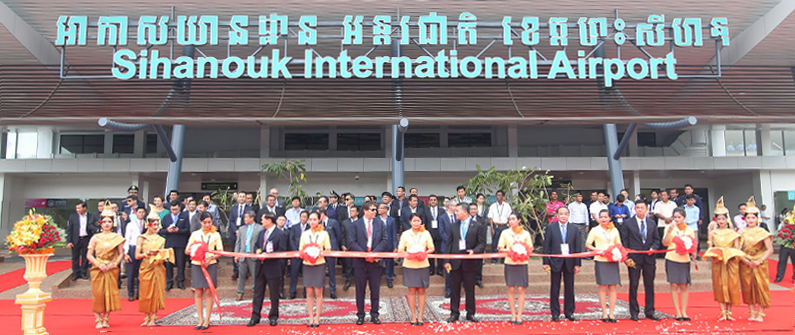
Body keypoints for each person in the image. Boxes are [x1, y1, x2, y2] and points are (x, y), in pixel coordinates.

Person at [444, 202, 487, 323]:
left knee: (469, 289)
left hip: (470, 263)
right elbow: (449, 245)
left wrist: (475, 251)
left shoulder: (478, 226)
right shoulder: (453, 226)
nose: (455, 213)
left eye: (457, 211)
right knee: (454, 289)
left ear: (465, 212)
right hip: (455, 263)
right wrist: (446, 261)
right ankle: (454, 313)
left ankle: (470, 313)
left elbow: (482, 244)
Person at [619, 200, 662, 321]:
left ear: (647, 209)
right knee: (633, 284)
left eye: (642, 208)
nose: (639, 210)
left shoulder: (652, 223)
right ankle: (634, 311)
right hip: (634, 258)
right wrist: (626, 257)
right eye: (637, 208)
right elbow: (624, 241)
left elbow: (657, 239)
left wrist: (653, 248)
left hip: (649, 258)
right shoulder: (628, 223)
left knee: (649, 284)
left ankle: (650, 311)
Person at [703, 197, 743, 322]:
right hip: (718, 262)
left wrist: (731, 256)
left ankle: (729, 311)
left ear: (727, 219)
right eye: (719, 219)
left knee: (731, 285)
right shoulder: (713, 233)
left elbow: (737, 249)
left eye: (723, 219)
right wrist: (714, 257)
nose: (721, 221)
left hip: (730, 262)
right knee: (719, 285)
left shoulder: (733, 233)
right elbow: (710, 248)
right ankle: (722, 311)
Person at [348, 202, 389, 325]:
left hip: (375, 261)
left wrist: (374, 254)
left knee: (375, 289)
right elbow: (352, 242)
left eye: (375, 209)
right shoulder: (355, 225)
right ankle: (360, 315)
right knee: (360, 290)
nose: (375, 211)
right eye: (372, 209)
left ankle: (374, 314)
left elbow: (384, 240)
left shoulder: (380, 223)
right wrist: (365, 254)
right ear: (365, 211)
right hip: (360, 262)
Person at [86, 204, 125, 329]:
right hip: (98, 268)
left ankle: (106, 318)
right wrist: (98, 264)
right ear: (100, 223)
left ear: (113, 223)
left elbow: (121, 254)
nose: (107, 224)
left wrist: (114, 264)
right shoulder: (95, 238)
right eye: (104, 222)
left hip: (111, 268)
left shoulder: (117, 238)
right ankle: (98, 318)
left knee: (110, 293)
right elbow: (89, 255)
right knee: (98, 294)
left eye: (109, 221)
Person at [136, 206, 174, 327]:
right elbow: (137, 255)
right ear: (148, 224)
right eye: (155, 224)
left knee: (156, 292)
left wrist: (164, 254)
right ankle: (146, 316)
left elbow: (163, 253)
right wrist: (147, 254)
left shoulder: (161, 239)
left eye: (158, 224)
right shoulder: (141, 238)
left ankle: (153, 317)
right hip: (146, 266)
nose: (157, 226)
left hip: (158, 267)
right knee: (146, 292)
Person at [543, 207, 582, 322]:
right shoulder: (551, 228)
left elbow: (577, 247)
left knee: (570, 287)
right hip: (555, 262)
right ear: (557, 215)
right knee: (555, 287)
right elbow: (546, 246)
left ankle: (569, 311)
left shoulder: (574, 229)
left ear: (569, 215)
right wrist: (545, 262)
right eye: (561, 214)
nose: (563, 216)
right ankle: (555, 312)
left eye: (565, 214)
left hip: (570, 262)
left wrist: (577, 264)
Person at [249, 214, 288, 327]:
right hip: (260, 267)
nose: (261, 221)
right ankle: (255, 316)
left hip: (273, 267)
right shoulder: (262, 233)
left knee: (274, 294)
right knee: (257, 293)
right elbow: (256, 246)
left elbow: (282, 250)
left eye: (263, 219)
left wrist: (269, 255)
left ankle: (273, 316)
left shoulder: (279, 234)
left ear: (269, 220)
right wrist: (257, 251)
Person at [738, 198, 773, 322]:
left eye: (753, 218)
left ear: (757, 218)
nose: (751, 220)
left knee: (760, 287)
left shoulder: (762, 232)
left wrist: (760, 260)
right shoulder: (741, 232)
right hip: (746, 262)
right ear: (745, 219)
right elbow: (737, 249)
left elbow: (770, 249)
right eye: (748, 218)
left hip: (759, 262)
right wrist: (745, 260)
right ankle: (752, 312)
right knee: (747, 287)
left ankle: (761, 313)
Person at [187, 212, 223, 330]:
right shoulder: (195, 234)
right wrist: (196, 251)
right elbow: (187, 250)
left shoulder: (216, 234)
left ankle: (207, 319)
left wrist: (211, 257)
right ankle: (200, 319)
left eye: (209, 222)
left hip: (210, 264)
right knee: (198, 291)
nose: (207, 225)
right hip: (197, 265)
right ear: (200, 222)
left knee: (209, 291)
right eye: (205, 222)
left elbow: (220, 251)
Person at [398, 213, 435, 326]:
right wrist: (408, 254)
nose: (416, 223)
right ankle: (413, 315)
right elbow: (400, 250)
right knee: (412, 290)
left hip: (423, 264)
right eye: (414, 221)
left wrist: (424, 253)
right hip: (410, 265)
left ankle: (420, 316)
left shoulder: (426, 233)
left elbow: (432, 248)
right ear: (410, 222)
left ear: (421, 222)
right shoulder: (405, 234)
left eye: (418, 220)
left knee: (422, 290)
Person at [586, 209, 623, 323]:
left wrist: (616, 252)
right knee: (602, 287)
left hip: (612, 260)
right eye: (601, 217)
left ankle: (612, 313)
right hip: (601, 260)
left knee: (613, 287)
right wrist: (598, 250)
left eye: (605, 217)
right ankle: (604, 313)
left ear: (610, 218)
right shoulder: (595, 230)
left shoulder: (614, 230)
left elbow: (619, 244)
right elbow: (587, 244)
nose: (603, 219)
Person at [498, 213, 533, 325]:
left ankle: (520, 315)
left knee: (521, 289)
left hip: (522, 263)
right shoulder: (505, 233)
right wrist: (512, 251)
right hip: (510, 263)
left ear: (519, 220)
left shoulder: (525, 233)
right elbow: (500, 248)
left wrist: (522, 251)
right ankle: (513, 314)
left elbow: (530, 248)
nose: (511, 221)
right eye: (509, 219)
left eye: (513, 219)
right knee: (511, 288)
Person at [662, 208, 696, 322]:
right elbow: (665, 243)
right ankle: (677, 311)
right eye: (675, 217)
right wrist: (669, 231)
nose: (677, 219)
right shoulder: (669, 228)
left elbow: (693, 244)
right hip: (672, 258)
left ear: (684, 218)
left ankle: (684, 311)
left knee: (684, 285)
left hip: (684, 259)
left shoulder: (689, 230)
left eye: (679, 217)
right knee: (674, 285)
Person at [300, 211, 332, 328]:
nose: (312, 221)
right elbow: (301, 250)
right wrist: (308, 253)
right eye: (310, 219)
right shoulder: (305, 234)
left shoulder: (324, 234)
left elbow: (328, 249)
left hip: (319, 264)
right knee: (309, 292)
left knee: (318, 292)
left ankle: (317, 318)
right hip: (307, 264)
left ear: (319, 220)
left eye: (315, 219)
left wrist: (318, 252)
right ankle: (311, 318)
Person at [160, 200, 189, 291]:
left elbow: (187, 230)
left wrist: (178, 230)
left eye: (176, 209)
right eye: (172, 209)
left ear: (179, 208)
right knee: (169, 264)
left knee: (181, 263)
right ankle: (169, 282)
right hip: (170, 243)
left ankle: (180, 281)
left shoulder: (184, 216)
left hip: (180, 242)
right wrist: (167, 230)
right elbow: (160, 230)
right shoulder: (166, 217)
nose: (174, 211)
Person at [235, 211, 263, 301]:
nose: (245, 219)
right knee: (241, 275)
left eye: (246, 217)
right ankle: (240, 292)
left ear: (252, 218)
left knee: (255, 275)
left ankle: (255, 292)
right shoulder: (242, 229)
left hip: (253, 255)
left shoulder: (260, 228)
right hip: (243, 255)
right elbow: (238, 243)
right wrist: (236, 254)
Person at [67, 201, 98, 281]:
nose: (77, 210)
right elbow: (70, 230)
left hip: (86, 238)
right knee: (75, 257)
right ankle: (75, 273)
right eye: (76, 208)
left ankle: (83, 273)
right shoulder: (73, 217)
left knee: (85, 256)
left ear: (84, 208)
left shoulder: (90, 216)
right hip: (76, 239)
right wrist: (69, 241)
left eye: (79, 208)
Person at [318, 207, 342, 299]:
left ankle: (332, 291)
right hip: (321, 251)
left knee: (332, 271)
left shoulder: (333, 222)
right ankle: (321, 291)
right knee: (321, 272)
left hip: (331, 249)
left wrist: (336, 247)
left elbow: (338, 235)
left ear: (322, 214)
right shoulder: (317, 224)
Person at [124, 207, 146, 301]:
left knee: (141, 272)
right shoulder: (131, 224)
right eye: (139, 212)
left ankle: (140, 293)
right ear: (136, 213)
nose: (141, 214)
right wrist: (126, 252)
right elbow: (127, 238)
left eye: (142, 212)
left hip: (143, 248)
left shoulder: (147, 224)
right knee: (131, 272)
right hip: (133, 247)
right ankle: (131, 293)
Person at [228, 192, 252, 280]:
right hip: (235, 232)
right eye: (240, 197)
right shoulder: (233, 208)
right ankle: (236, 271)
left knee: (244, 251)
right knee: (235, 251)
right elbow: (231, 221)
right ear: (237, 198)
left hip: (245, 232)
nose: (241, 198)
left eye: (243, 197)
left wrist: (241, 231)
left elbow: (249, 221)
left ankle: (244, 271)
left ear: (246, 198)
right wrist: (236, 230)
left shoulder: (249, 208)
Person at [288, 211, 309, 299]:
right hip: (296, 254)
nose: (303, 218)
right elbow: (291, 240)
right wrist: (296, 251)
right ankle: (292, 292)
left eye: (305, 217)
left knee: (306, 274)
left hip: (307, 255)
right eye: (302, 217)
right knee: (294, 274)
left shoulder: (310, 228)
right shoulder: (294, 227)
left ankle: (306, 293)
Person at [438, 200, 457, 298]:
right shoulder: (442, 218)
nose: (456, 207)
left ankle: (456, 289)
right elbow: (441, 232)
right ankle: (448, 290)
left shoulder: (458, 217)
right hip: (446, 247)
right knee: (448, 269)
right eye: (455, 205)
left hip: (457, 248)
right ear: (450, 206)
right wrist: (450, 241)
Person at [378, 202, 399, 288]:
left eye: (381, 208)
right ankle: (377, 279)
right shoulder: (375, 219)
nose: (379, 210)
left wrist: (395, 246)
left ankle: (389, 279)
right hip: (378, 245)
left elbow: (394, 234)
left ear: (386, 209)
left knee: (389, 263)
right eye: (378, 208)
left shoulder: (392, 220)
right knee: (378, 263)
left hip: (389, 245)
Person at [489, 190, 512, 264]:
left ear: (503, 197)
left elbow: (509, 217)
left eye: (499, 195)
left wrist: (509, 227)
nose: (498, 197)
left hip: (504, 226)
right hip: (496, 225)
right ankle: (494, 259)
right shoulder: (493, 206)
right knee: (495, 243)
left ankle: (503, 259)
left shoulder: (507, 206)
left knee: (504, 243)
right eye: (497, 195)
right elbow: (490, 218)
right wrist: (492, 228)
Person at [775, 205, 795, 283]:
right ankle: (779, 276)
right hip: (785, 244)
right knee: (782, 260)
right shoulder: (787, 219)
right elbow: (780, 229)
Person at [424, 195, 444, 276]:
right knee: (430, 254)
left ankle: (440, 270)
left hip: (439, 235)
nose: (433, 201)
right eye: (431, 200)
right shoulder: (426, 211)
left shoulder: (442, 211)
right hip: (429, 235)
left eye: (434, 200)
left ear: (437, 201)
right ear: (428, 202)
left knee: (440, 253)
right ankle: (431, 270)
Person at [340, 206, 358, 290]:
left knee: (359, 265)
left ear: (357, 212)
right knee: (348, 265)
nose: (351, 212)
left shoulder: (361, 222)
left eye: (353, 211)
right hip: (348, 247)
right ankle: (348, 281)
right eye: (350, 211)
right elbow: (342, 235)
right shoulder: (345, 222)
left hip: (359, 247)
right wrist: (343, 245)